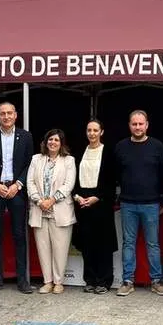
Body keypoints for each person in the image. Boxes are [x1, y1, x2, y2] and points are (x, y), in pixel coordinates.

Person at [0, 101, 35, 294]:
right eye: (2, 113)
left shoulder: (26, 136)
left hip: (17, 190)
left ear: (15, 115)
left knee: (19, 235)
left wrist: (18, 184)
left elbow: (30, 164)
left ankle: (22, 281)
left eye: (9, 113)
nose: (6, 117)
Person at [115, 110, 163, 297]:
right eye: (134, 124)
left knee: (153, 244)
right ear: (129, 125)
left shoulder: (157, 146)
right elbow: (115, 175)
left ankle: (156, 281)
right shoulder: (121, 147)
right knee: (128, 243)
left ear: (147, 125)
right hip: (128, 204)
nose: (137, 127)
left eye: (141, 124)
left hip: (151, 204)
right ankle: (127, 281)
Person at [28, 129, 77, 294]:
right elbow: (30, 182)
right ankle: (47, 281)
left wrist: (52, 200)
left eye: (56, 140)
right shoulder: (36, 159)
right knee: (43, 249)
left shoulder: (69, 161)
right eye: (50, 139)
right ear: (45, 142)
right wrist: (39, 201)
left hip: (60, 210)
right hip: (39, 209)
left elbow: (68, 184)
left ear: (61, 143)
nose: (53, 143)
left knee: (60, 248)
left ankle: (59, 282)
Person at [73, 119, 117, 294]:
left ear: (102, 132)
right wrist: (77, 197)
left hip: (102, 204)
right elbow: (73, 178)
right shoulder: (79, 152)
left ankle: (104, 281)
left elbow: (111, 182)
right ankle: (90, 280)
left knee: (103, 245)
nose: (92, 133)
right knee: (87, 244)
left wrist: (97, 197)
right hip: (83, 204)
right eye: (89, 130)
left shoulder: (108, 152)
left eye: (95, 130)